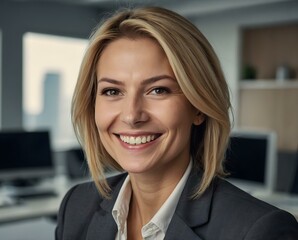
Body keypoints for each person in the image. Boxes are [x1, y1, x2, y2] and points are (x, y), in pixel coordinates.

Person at [55, 6, 298, 240]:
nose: (131, 115)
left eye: (158, 90)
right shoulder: (76, 206)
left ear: (198, 107)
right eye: (112, 91)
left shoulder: (259, 230)